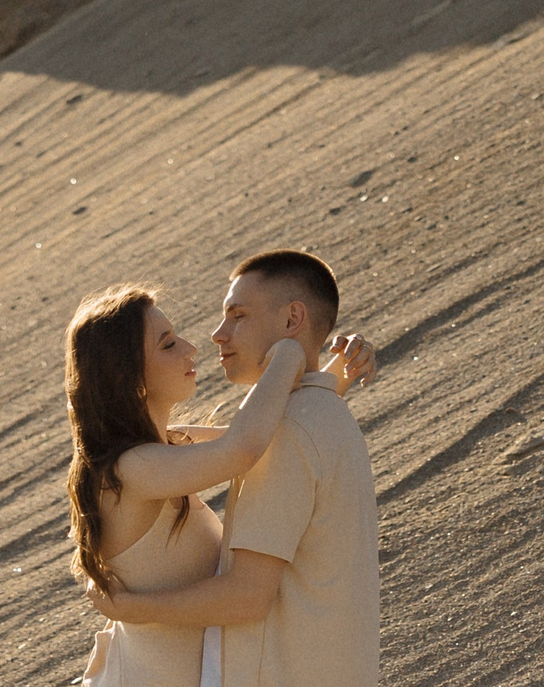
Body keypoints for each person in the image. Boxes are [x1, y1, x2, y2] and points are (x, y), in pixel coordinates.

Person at [83, 251, 380, 687]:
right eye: (167, 344)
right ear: (129, 375)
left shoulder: (171, 453)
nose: (203, 342)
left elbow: (255, 436)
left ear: (292, 317)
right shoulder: (137, 467)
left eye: (237, 316)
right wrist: (292, 357)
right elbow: (243, 445)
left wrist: (326, 373)